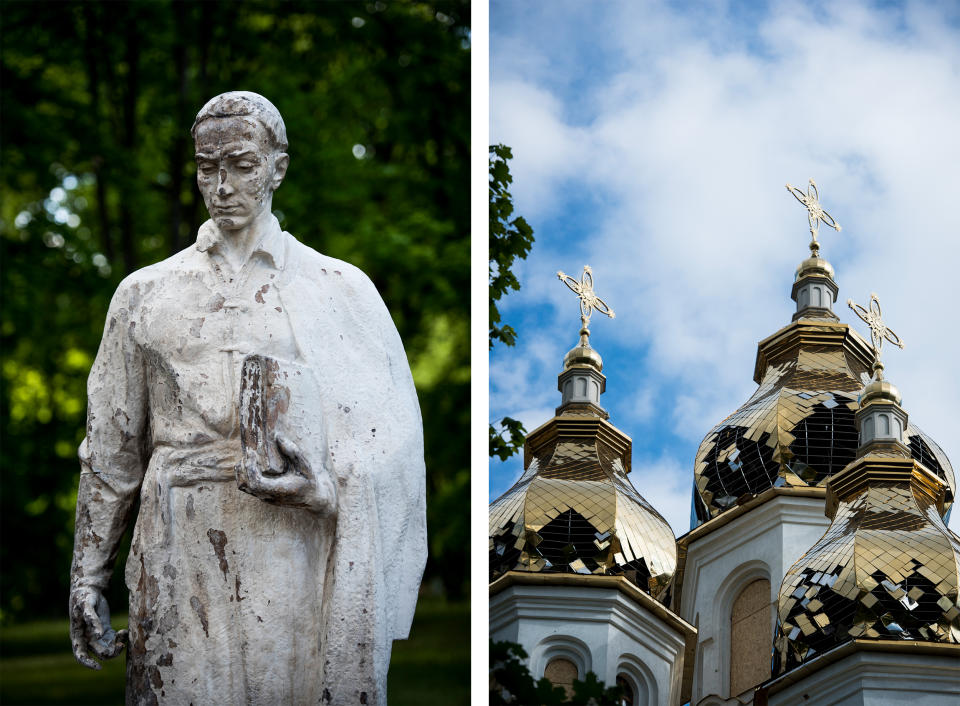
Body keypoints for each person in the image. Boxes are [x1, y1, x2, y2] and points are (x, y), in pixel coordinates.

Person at [68, 91, 426, 706]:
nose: (222, 185)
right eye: (207, 169)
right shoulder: (144, 294)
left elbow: (391, 442)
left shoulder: (339, 289)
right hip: (176, 540)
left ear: (277, 168)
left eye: (241, 164)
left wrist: (327, 485)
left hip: (294, 547)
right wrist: (87, 573)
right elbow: (112, 447)